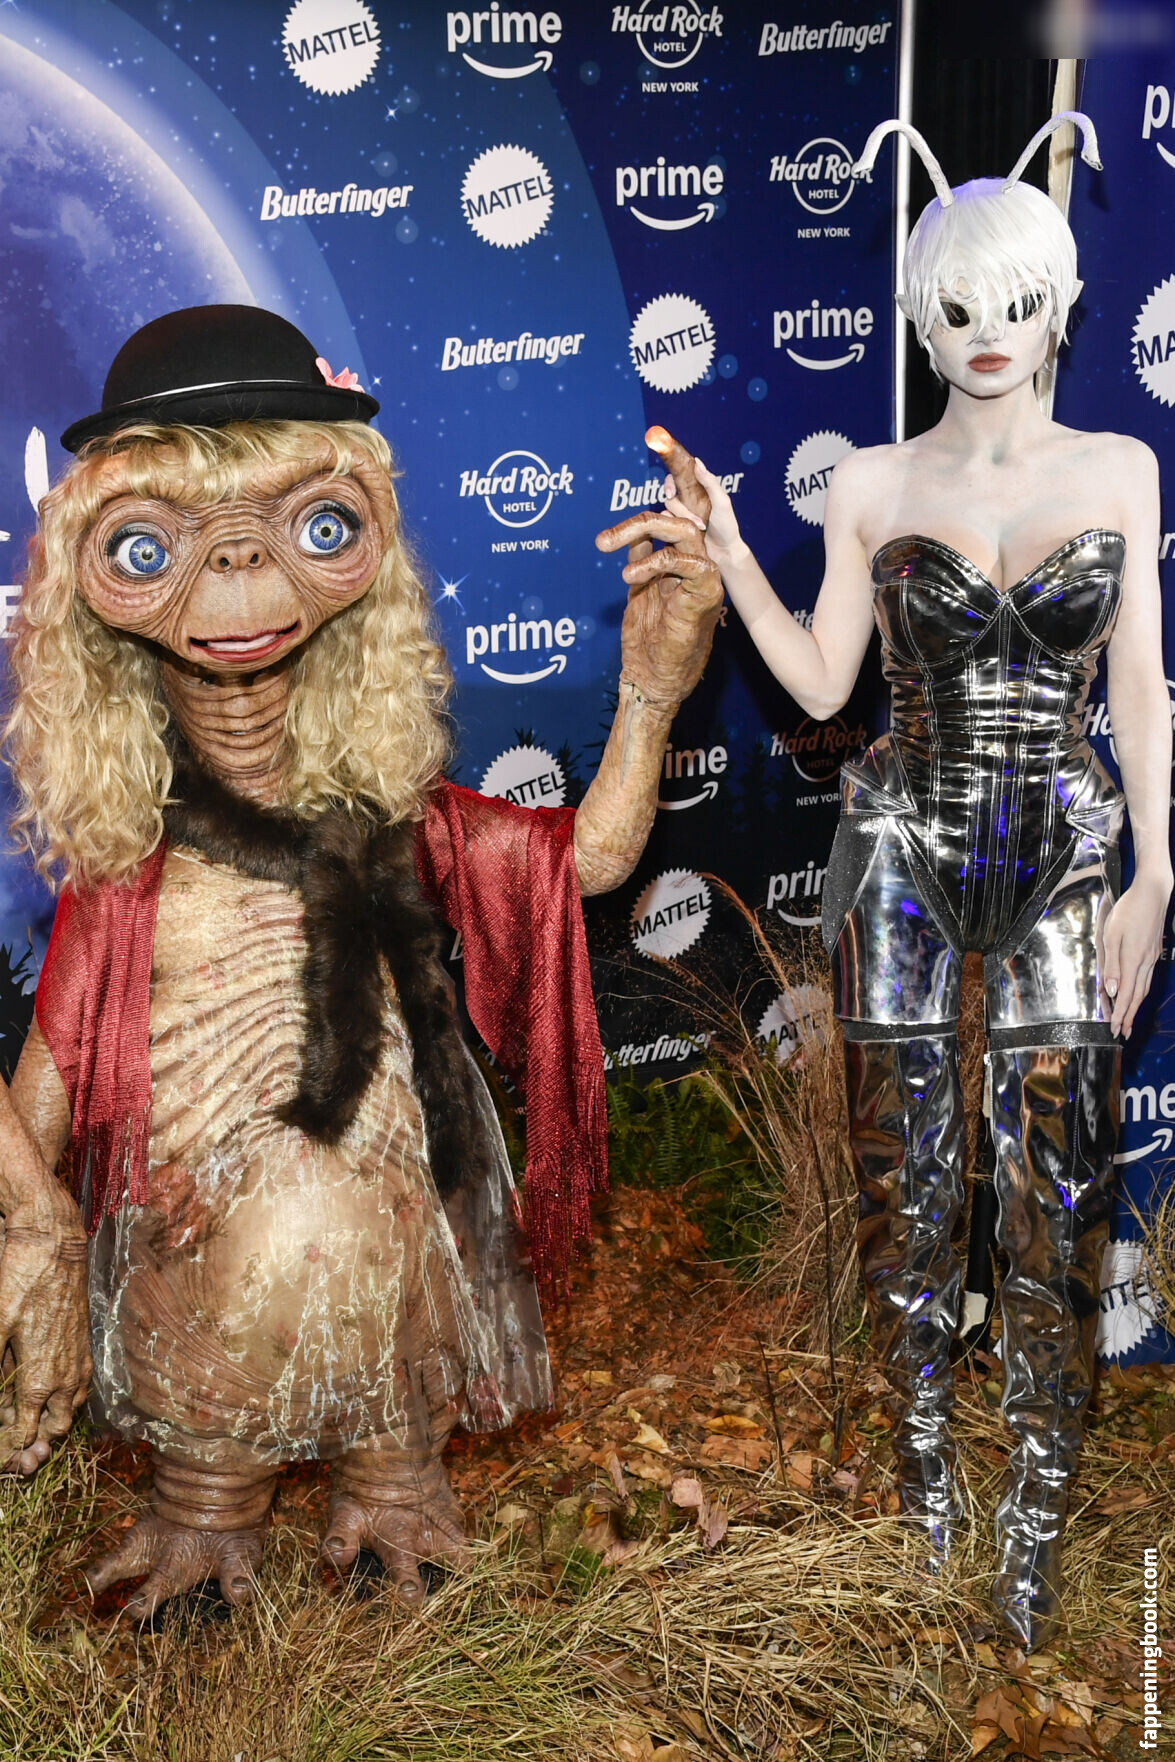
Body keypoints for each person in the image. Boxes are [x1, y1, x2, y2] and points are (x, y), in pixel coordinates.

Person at [0, 304, 722, 1617]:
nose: (238, 583)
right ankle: (206, 1503)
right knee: (235, 1261)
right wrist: (41, 1223)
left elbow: (596, 857)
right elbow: (42, 1093)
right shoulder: (130, 871)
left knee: (379, 1207)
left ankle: (393, 1482)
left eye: (309, 529)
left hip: (394, 1224)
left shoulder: (394, 818)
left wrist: (655, 686)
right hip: (196, 1254)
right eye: (157, 547)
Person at [596, 115, 1171, 1650]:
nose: (988, 334)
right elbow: (818, 681)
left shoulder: (1120, 467)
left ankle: (1036, 1510)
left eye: (1015, 303)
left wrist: (1158, 869)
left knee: (1056, 1193)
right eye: (957, 307)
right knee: (905, 1189)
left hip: (1067, 845)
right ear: (923, 314)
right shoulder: (869, 480)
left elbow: (1140, 686)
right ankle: (928, 1494)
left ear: (1059, 307)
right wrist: (734, 552)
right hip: (905, 847)